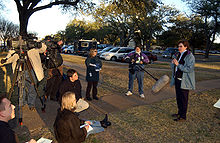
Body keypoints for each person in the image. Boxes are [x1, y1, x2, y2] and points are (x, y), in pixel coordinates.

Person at [0, 38, 47, 111]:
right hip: (20, 70)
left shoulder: (32, 43)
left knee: (32, 88)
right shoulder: (16, 45)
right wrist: (4, 61)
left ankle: (31, 104)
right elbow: (10, 57)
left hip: (31, 70)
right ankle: (22, 103)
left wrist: (37, 44)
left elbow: (43, 49)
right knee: (21, 87)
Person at [170, 40, 195, 122]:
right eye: (178, 46)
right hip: (177, 79)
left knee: (184, 99)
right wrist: (173, 63)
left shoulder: (189, 56)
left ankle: (183, 116)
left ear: (186, 47)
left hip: (184, 81)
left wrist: (178, 65)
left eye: (181, 46)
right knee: (179, 98)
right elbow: (176, 67)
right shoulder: (179, 55)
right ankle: (179, 113)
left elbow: (189, 69)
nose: (179, 48)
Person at [43, 36, 64, 101]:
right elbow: (51, 45)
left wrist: (59, 45)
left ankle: (53, 95)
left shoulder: (54, 44)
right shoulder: (45, 44)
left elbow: (59, 49)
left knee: (58, 81)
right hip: (50, 66)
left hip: (59, 65)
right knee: (50, 81)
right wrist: (57, 44)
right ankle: (46, 95)